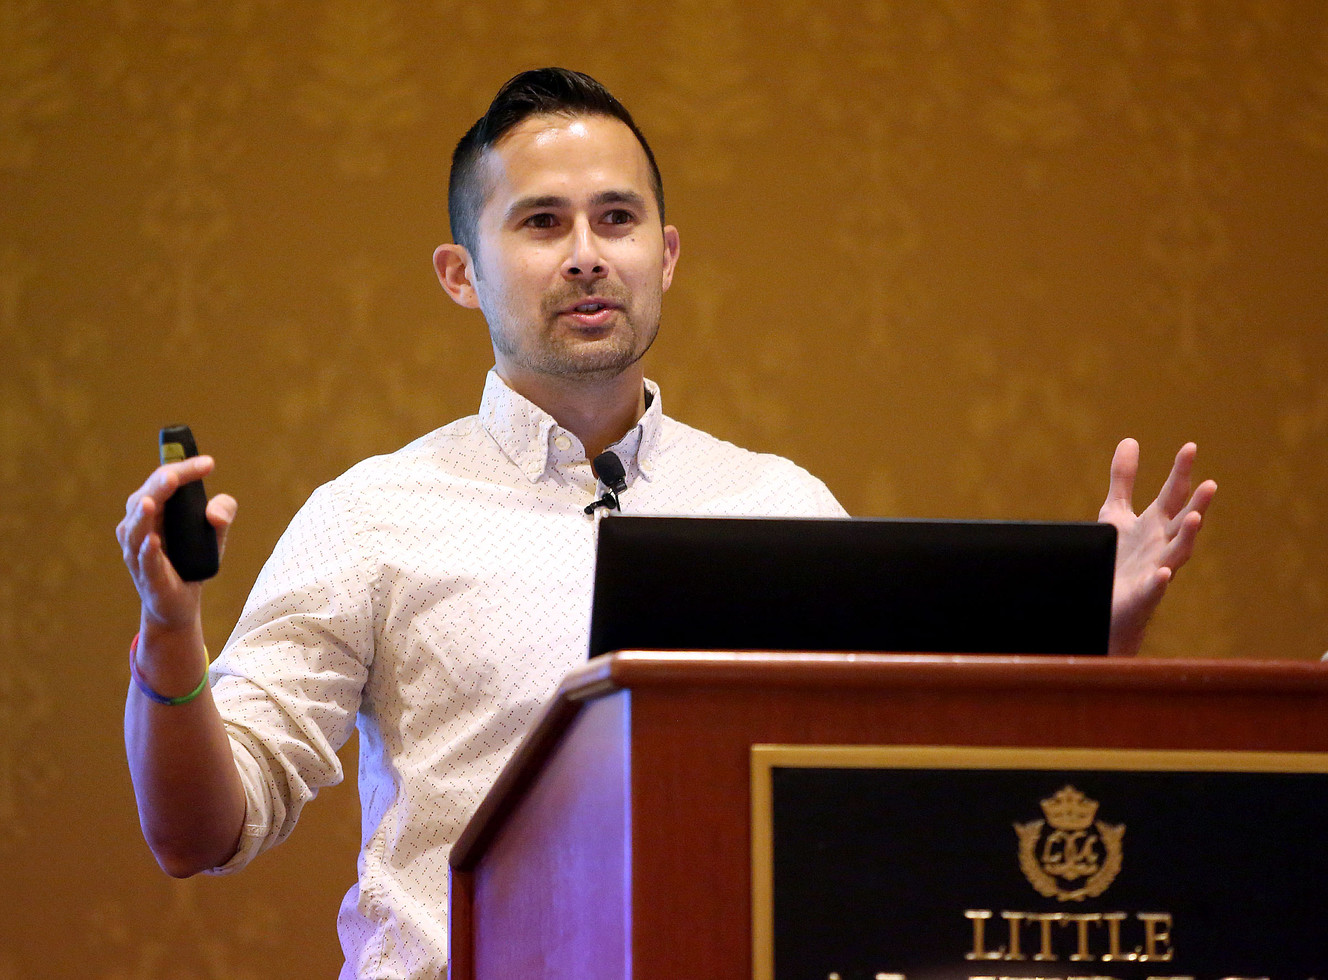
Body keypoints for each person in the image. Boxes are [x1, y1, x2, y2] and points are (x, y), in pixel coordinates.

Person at [116, 68, 1217, 979]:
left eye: (616, 218)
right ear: (461, 274)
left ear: (667, 254)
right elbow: (199, 829)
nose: (586, 251)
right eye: (540, 222)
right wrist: (171, 645)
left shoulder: (784, 506)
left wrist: (1094, 643)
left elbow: (933, 800)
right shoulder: (370, 516)